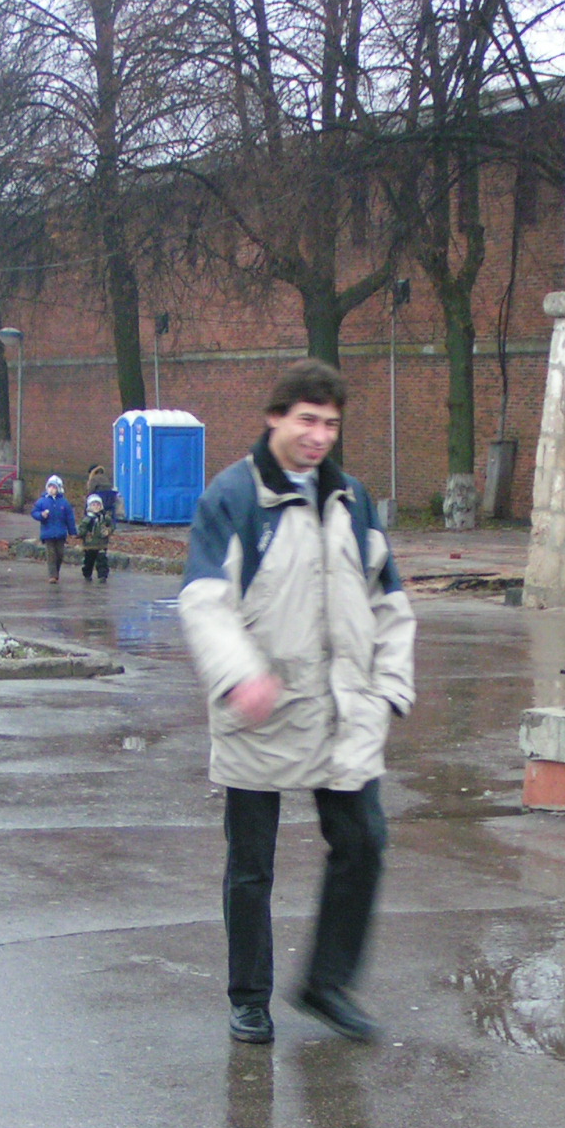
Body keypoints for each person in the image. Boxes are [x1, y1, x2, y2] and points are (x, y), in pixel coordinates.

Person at [179, 359, 416, 1045]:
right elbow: (205, 601)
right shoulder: (234, 497)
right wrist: (239, 677)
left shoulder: (352, 500)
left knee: (363, 842)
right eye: (307, 421)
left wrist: (390, 687)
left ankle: (326, 984)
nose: (319, 437)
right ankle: (249, 997)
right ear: (274, 418)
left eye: (331, 424)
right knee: (252, 866)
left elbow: (390, 602)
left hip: (344, 709)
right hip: (263, 706)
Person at [30, 475, 77, 583]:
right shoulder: (42, 501)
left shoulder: (64, 503)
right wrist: (41, 515)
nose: (51, 489)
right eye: (50, 487)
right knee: (51, 554)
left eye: (54, 487)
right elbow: (34, 512)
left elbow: (69, 518)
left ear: (59, 489)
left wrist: (72, 532)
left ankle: (56, 572)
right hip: (47, 533)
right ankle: (52, 575)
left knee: (60, 554)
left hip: (61, 533)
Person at [79, 493, 114, 582]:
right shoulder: (87, 519)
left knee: (102, 560)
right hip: (89, 544)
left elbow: (112, 526)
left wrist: (108, 531)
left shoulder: (105, 518)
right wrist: (83, 533)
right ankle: (87, 574)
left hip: (102, 543)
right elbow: (81, 529)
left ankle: (102, 576)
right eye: (93, 505)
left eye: (98, 505)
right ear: (89, 507)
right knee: (89, 561)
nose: (96, 507)